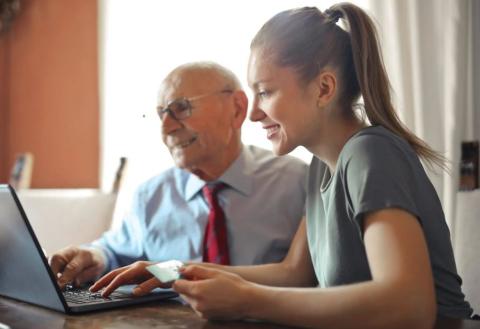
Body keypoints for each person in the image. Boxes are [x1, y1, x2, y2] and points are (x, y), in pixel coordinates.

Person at [91, 3, 475, 328]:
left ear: (324, 89)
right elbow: (295, 273)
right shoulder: (323, 166)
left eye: (265, 91)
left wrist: (246, 300)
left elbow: (410, 306)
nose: (254, 113)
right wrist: (170, 271)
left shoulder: (369, 154)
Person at [49, 62, 307, 290]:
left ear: (237, 109)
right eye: (162, 113)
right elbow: (115, 252)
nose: (166, 128)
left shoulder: (297, 182)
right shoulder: (151, 195)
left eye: (181, 108)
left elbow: (306, 277)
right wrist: (93, 256)